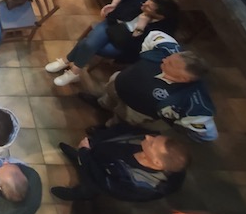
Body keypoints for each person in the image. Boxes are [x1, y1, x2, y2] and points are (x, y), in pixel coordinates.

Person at [87, 31, 217, 142]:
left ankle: (106, 128)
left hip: (134, 111)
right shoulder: (167, 50)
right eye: (170, 58)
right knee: (108, 98)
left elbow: (208, 133)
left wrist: (177, 125)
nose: (164, 60)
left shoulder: (194, 100)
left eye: (170, 64)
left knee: (120, 120)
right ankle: (101, 104)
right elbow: (154, 35)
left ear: (184, 78)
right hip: (117, 84)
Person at [46, 0, 179, 86]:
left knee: (87, 44)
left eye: (149, 7)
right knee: (89, 44)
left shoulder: (161, 31)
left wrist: (140, 28)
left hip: (123, 43)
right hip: (111, 26)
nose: (144, 5)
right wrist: (114, 4)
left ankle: (67, 61)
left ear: (159, 16)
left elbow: (137, 48)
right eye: (148, 2)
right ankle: (74, 72)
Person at [51, 125, 190, 201]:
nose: (148, 137)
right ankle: (80, 158)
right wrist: (94, 143)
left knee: (90, 185)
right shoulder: (143, 140)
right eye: (155, 137)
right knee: (88, 159)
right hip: (99, 155)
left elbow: (105, 183)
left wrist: (84, 154)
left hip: (101, 179)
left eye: (152, 143)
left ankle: (81, 193)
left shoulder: (140, 184)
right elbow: (121, 132)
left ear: (157, 162)